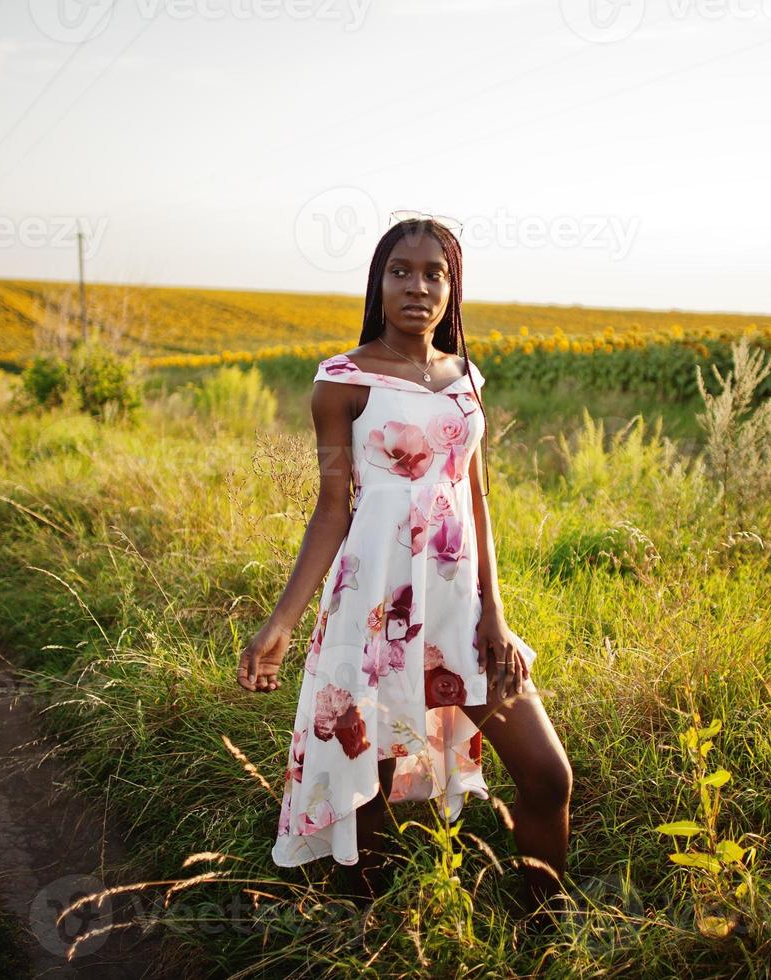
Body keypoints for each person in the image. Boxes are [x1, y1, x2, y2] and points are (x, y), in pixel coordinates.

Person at [236, 213, 573, 924]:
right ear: (377, 282)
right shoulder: (342, 380)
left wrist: (496, 616)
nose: (416, 286)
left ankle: (546, 936)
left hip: (461, 613)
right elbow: (332, 510)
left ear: (452, 288)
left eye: (434, 273)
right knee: (372, 792)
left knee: (546, 776)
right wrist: (280, 625)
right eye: (400, 271)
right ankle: (371, 939)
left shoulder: (465, 378)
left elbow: (473, 498)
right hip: (374, 612)